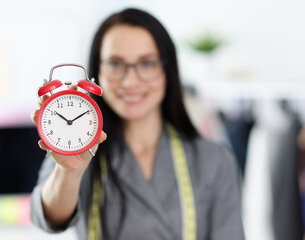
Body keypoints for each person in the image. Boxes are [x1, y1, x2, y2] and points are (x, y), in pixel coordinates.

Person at [30, 8, 245, 240]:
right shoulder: (77, 148)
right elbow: (48, 218)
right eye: (115, 64)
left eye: (148, 63)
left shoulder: (215, 159)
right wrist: (68, 172)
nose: (130, 81)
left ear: (168, 70)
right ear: (97, 72)